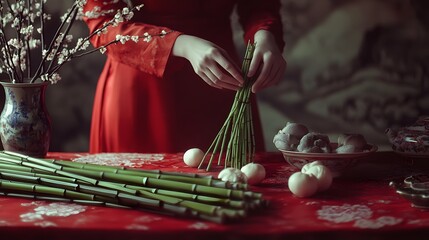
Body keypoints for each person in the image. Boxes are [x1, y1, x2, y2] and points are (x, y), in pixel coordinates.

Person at [83, 0, 286, 153]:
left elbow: (259, 5)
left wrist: (264, 33)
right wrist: (180, 44)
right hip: (145, 86)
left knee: (230, 194)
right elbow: (103, 23)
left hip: (220, 81)